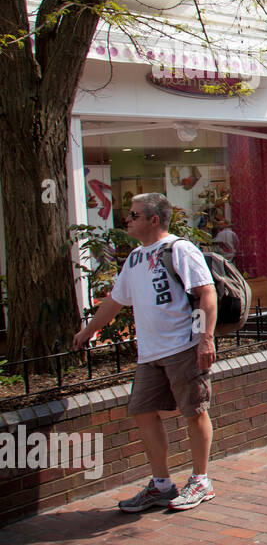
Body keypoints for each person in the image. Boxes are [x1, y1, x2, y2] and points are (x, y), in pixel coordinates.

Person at [72, 193, 218, 512]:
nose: (127, 220)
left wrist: (205, 339)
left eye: (134, 215)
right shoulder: (135, 258)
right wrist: (88, 331)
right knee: (142, 411)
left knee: (194, 411)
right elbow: (114, 301)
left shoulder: (179, 249)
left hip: (184, 347)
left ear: (154, 220)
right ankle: (162, 485)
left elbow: (207, 293)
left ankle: (201, 480)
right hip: (150, 354)